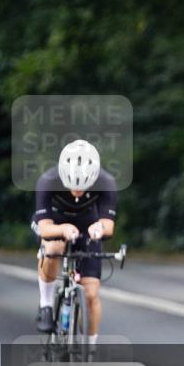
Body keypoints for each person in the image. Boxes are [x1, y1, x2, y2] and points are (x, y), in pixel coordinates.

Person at [31, 140, 118, 344]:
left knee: (91, 294)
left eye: (83, 186)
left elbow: (108, 225)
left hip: (87, 227)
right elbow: (44, 227)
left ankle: (90, 349)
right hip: (54, 223)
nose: (77, 192)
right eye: (72, 186)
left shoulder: (106, 182)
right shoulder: (47, 180)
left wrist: (99, 229)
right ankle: (46, 305)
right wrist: (61, 229)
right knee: (54, 247)